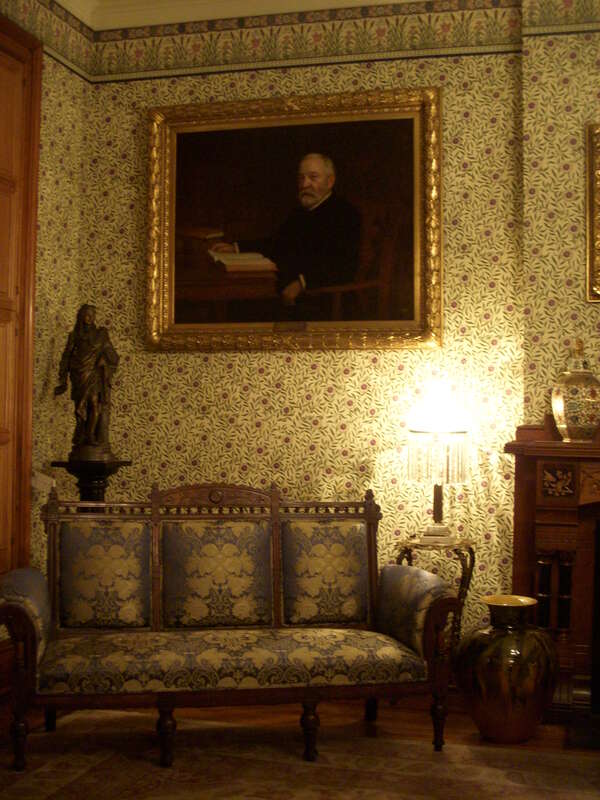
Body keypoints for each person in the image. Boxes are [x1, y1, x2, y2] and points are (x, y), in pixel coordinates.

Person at [215, 153, 362, 319]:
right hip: (283, 290)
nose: (305, 184)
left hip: (320, 300)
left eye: (313, 177)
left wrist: (302, 283)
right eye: (301, 178)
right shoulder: (300, 211)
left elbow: (343, 265)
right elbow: (277, 242)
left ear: (330, 181)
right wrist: (237, 247)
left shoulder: (345, 214)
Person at [54, 304, 119, 454]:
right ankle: (82, 435)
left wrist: (104, 360)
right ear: (81, 317)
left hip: (94, 374)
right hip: (79, 374)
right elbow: (66, 357)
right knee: (80, 408)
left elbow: (113, 355)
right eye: (86, 315)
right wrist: (63, 380)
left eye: (91, 315)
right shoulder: (75, 335)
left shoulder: (101, 334)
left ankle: (90, 435)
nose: (88, 318)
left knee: (95, 405)